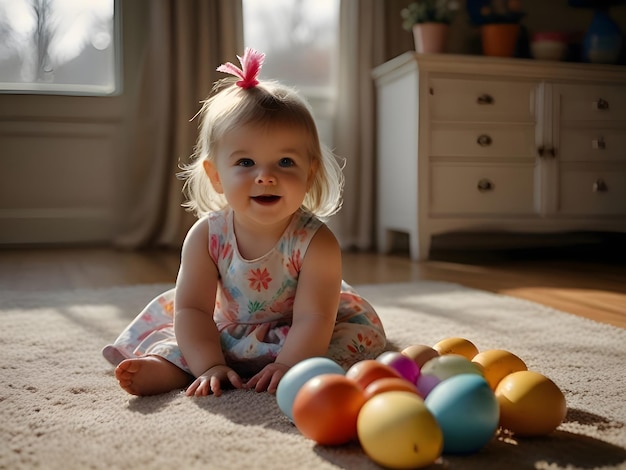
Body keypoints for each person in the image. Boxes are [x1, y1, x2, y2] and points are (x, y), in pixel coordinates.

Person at [102, 48, 386, 397]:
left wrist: (289, 366)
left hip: (300, 328)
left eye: (285, 162)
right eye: (246, 162)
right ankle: (177, 370)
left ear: (309, 173)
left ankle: (276, 368)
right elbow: (193, 310)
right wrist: (208, 364)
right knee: (187, 338)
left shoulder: (317, 242)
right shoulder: (206, 236)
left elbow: (315, 318)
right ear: (216, 175)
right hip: (223, 327)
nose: (265, 177)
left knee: (343, 347)